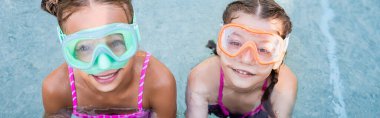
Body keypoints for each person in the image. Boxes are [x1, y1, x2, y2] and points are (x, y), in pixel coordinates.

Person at [41, 0, 176, 117]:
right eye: (84, 48)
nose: (104, 64)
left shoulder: (157, 83)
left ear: (135, 33)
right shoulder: (58, 89)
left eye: (115, 43)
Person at [186, 0, 297, 117]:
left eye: (263, 49)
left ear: (279, 57)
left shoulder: (282, 88)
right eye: (235, 42)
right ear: (220, 44)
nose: (246, 59)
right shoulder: (202, 78)